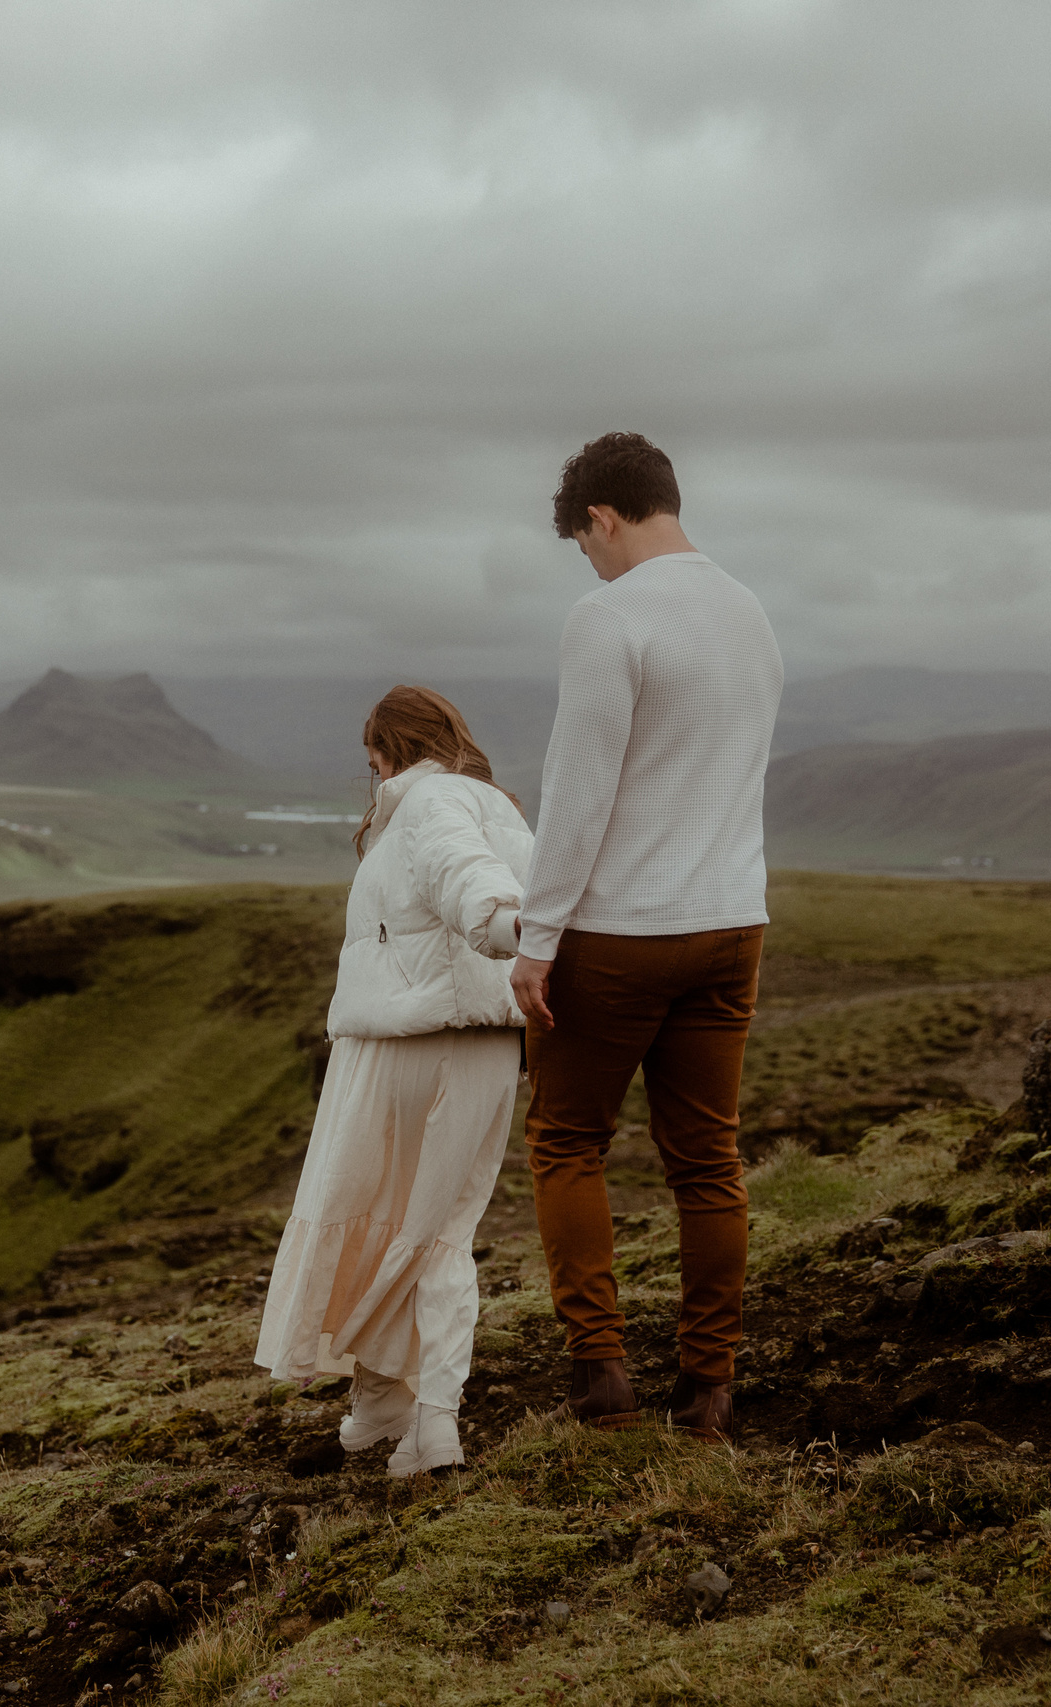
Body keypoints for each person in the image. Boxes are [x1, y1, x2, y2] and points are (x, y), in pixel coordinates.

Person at [511, 431, 782, 1445]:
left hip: (620, 933)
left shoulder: (608, 616)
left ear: (602, 518)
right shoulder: (750, 613)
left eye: (586, 545)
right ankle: (707, 1390)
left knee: (565, 1140)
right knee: (707, 1160)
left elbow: (577, 795)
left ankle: (601, 1375)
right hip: (730, 924)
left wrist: (538, 938)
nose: (591, 563)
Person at [253, 685, 535, 1476]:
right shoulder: (502, 808)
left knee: (380, 1215)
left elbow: (467, 879)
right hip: (489, 1046)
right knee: (433, 1230)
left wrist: (503, 924)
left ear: (389, 749)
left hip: (406, 1041)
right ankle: (402, 1413)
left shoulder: (431, 799)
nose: (370, 770)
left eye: (371, 755)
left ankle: (413, 1416)